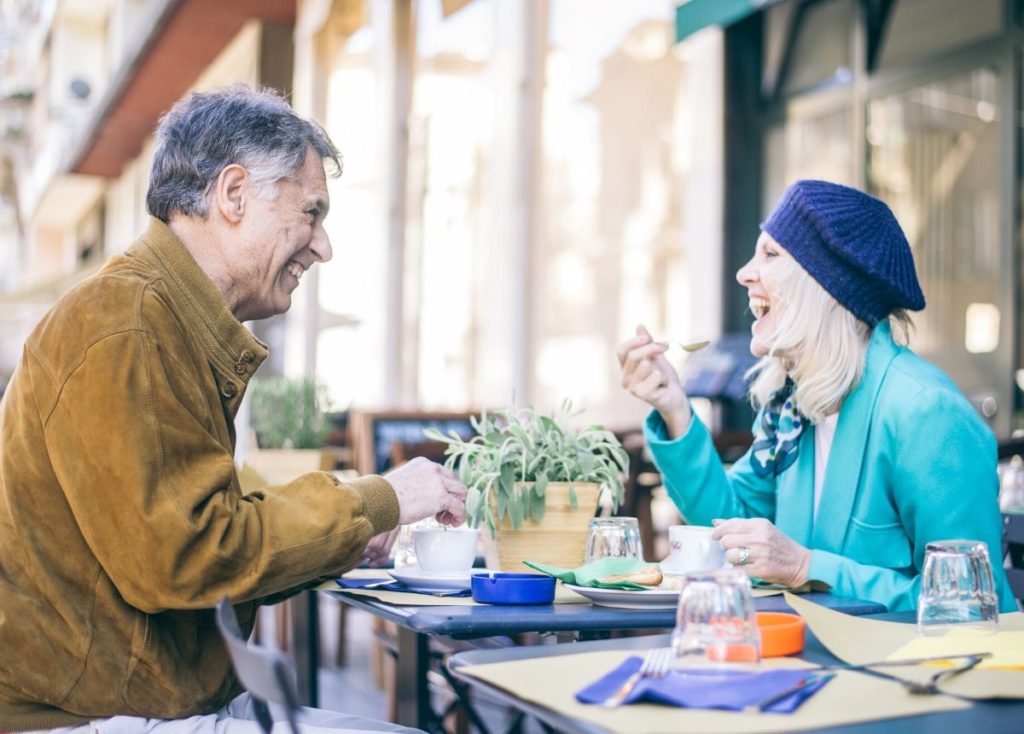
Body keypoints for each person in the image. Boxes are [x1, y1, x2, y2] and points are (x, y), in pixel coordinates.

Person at [0, 86, 467, 732]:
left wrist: (348, 528)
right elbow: (189, 553)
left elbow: (215, 521)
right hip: (87, 717)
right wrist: (374, 501)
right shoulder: (123, 322)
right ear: (234, 194)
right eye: (311, 213)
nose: (323, 247)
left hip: (138, 703)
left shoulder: (154, 317)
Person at [618, 179, 1015, 612]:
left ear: (826, 287)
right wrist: (675, 408)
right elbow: (729, 527)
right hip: (800, 663)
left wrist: (806, 567)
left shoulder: (927, 414)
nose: (744, 272)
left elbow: (973, 607)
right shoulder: (795, 407)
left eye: (771, 254)